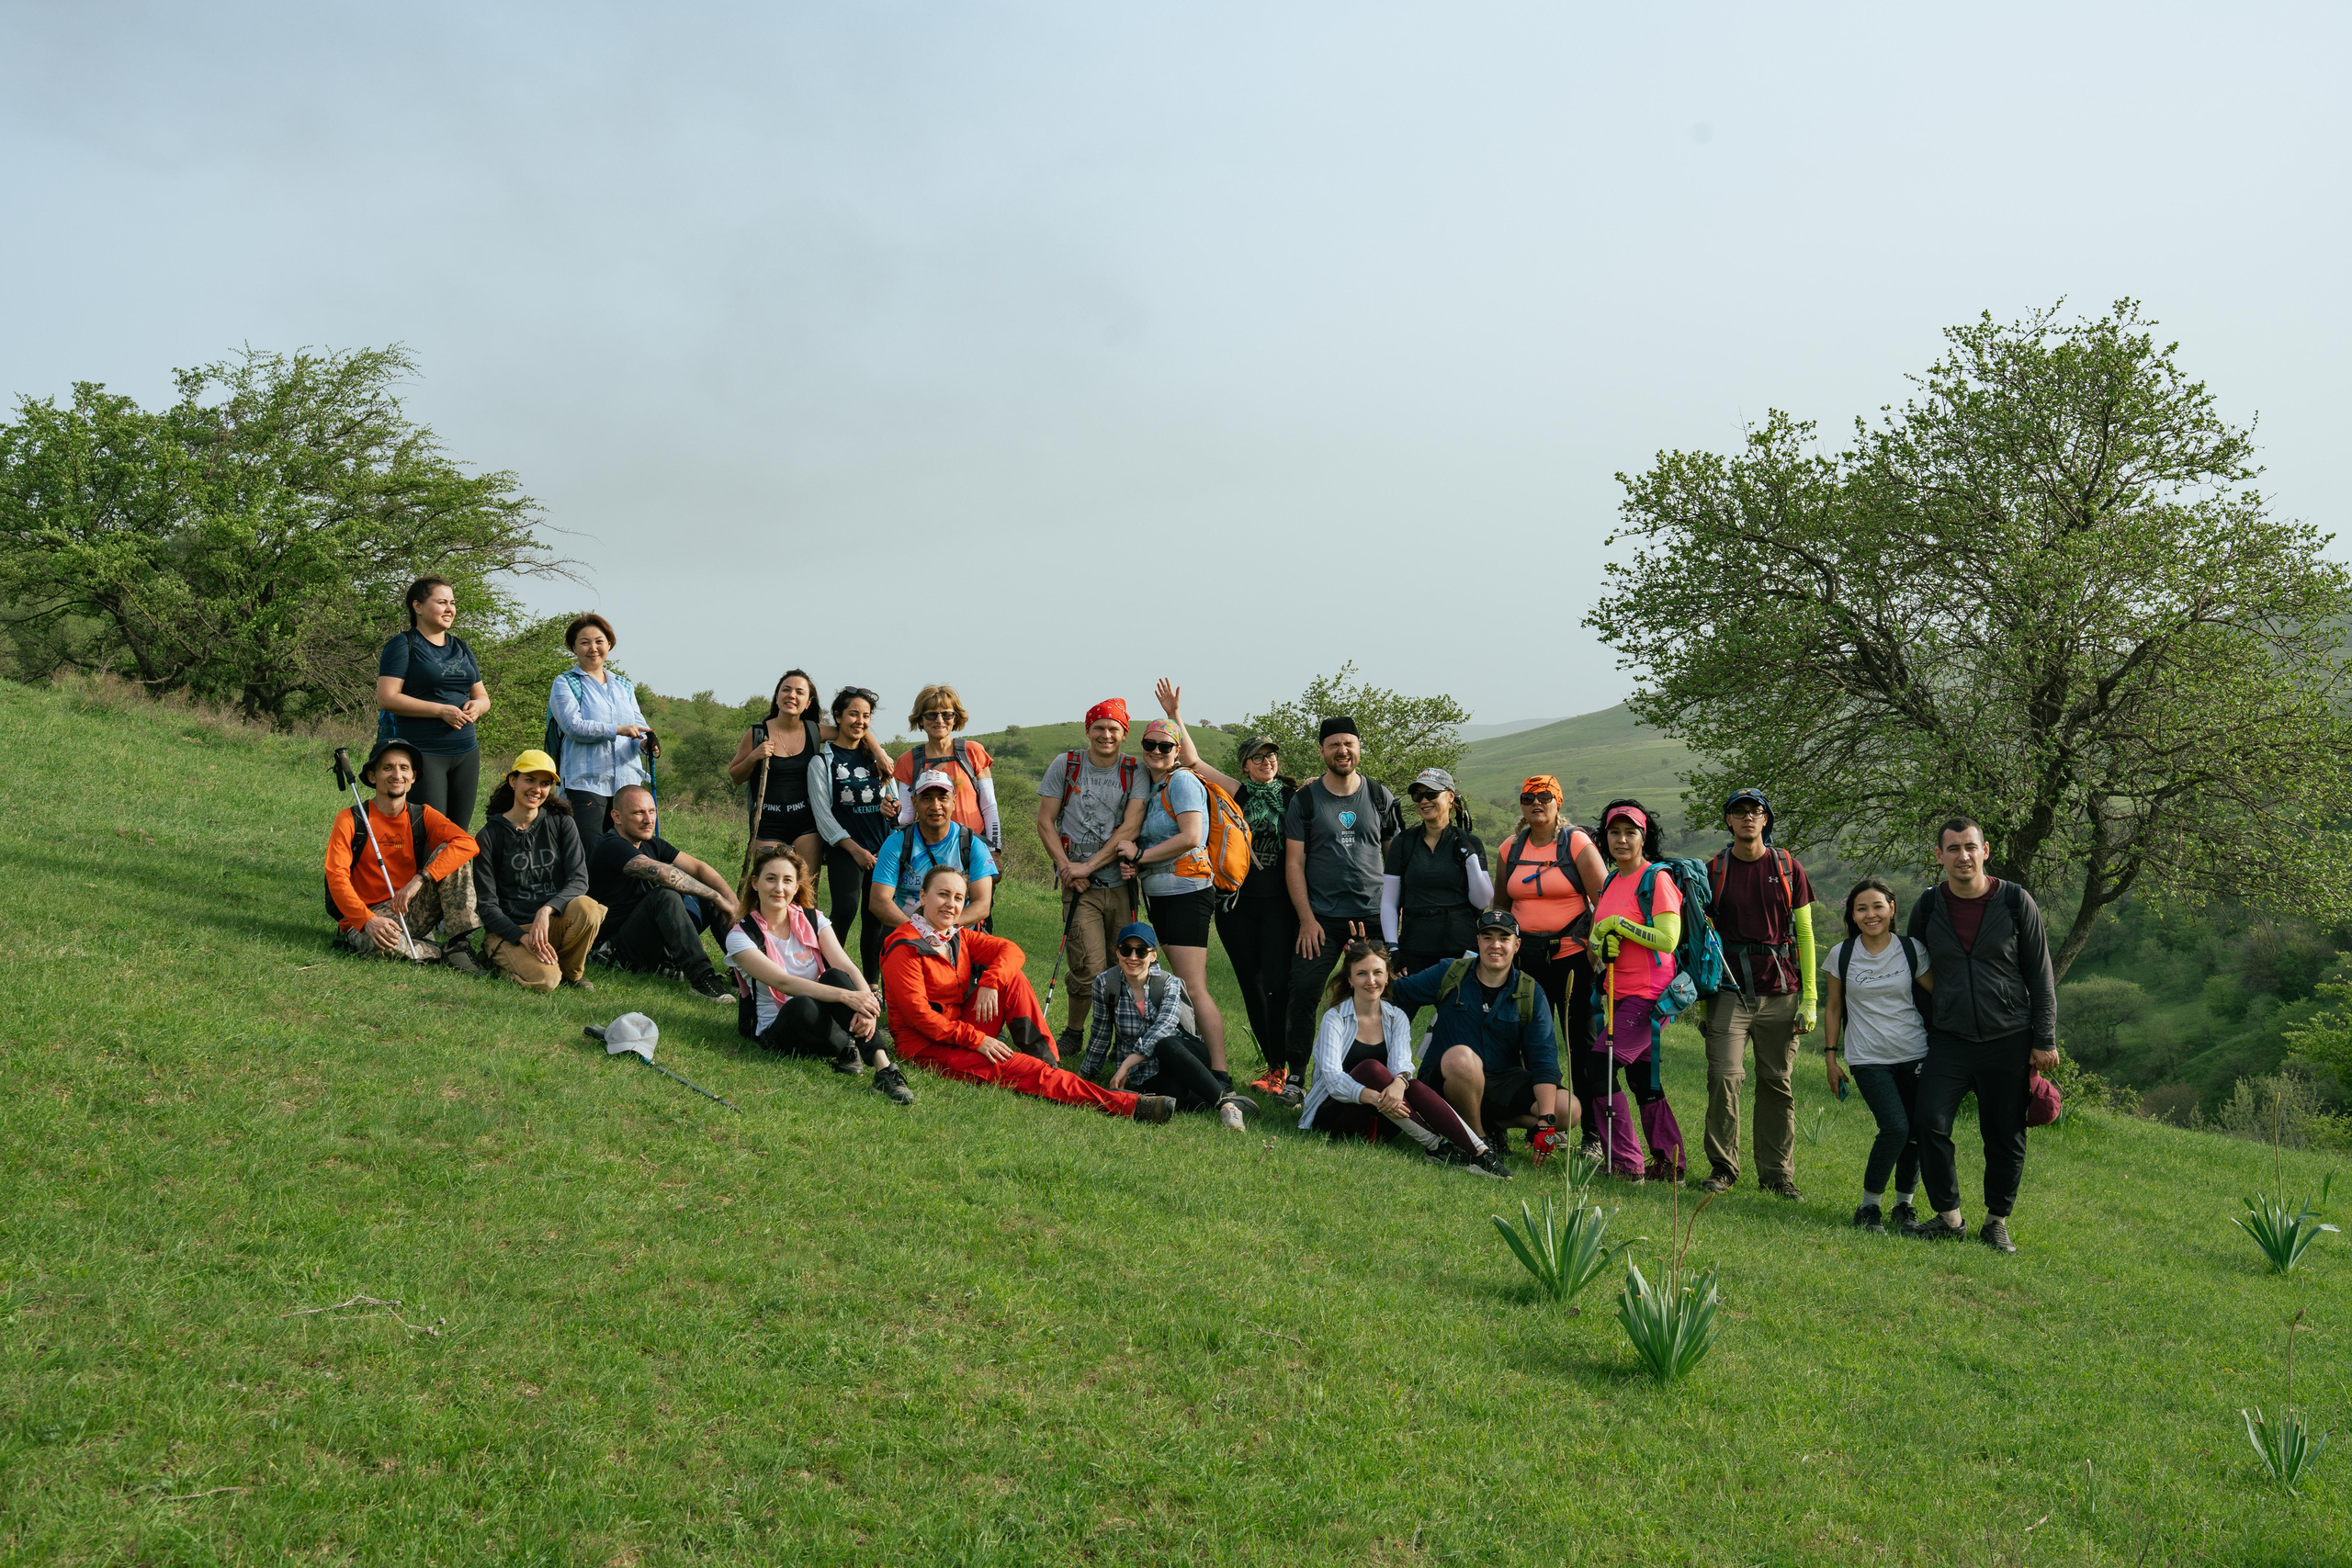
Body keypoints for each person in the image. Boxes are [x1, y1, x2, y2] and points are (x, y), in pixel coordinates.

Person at [881, 865, 1175, 1122]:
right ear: (922, 897)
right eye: (942, 895)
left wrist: (991, 982)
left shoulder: (954, 936)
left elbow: (1012, 951)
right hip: (927, 1048)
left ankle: (1048, 1063)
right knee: (1020, 1071)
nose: (951, 904)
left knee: (1012, 977)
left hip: (961, 1027)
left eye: (958, 898)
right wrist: (978, 1040)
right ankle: (1128, 1105)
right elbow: (920, 1017)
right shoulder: (904, 947)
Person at [1901, 817, 2061, 1253]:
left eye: (1970, 847)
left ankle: (1996, 1221)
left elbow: (2040, 974)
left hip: (2008, 1038)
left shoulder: (2014, 901)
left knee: (2004, 1133)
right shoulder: (1929, 906)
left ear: (1985, 850)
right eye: (1952, 849)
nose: (1962, 856)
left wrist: (2043, 1038)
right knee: (1929, 1122)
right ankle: (1950, 1218)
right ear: (1939, 857)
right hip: (1949, 1039)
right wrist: (1930, 1023)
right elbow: (1916, 972)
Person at [1147, 682, 1298, 1091]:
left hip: (1281, 905)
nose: (1265, 761)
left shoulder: (1296, 795)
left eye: (1270, 755)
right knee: (1250, 982)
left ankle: (1289, 1068)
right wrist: (1176, 714)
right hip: (1236, 903)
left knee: (1278, 984)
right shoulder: (1240, 792)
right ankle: (1272, 1069)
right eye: (1256, 757)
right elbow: (1192, 761)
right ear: (1244, 765)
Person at [1700, 787, 1819, 1200]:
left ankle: (1777, 1175)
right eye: (1739, 811)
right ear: (1728, 821)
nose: (1748, 817)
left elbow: (1804, 932)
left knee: (1776, 1083)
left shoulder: (1788, 866)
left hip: (1781, 991)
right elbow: (1703, 941)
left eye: (1756, 811)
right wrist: (1702, 1003)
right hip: (1730, 991)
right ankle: (1723, 1168)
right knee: (1724, 1077)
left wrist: (1810, 998)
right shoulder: (1714, 870)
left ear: (1766, 820)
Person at [1277, 715, 1403, 1106]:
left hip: (1372, 916)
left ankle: (1377, 1072)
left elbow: (1394, 861)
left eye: (1348, 743)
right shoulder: (1306, 800)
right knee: (1303, 991)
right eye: (1334, 745)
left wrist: (1395, 916)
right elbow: (1294, 864)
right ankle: (1296, 1076)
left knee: (1382, 995)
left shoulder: (1381, 796)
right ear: (1322, 751)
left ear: (1359, 748)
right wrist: (1307, 919)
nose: (1342, 751)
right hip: (1322, 920)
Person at [726, 846, 915, 1105]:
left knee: (835, 975)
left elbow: (848, 968)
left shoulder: (813, 920)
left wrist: (868, 1005)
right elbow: (785, 983)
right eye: (771, 879)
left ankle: (884, 1069)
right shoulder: (740, 937)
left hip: (825, 1014)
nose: (779, 888)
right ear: (755, 883)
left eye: (787, 880)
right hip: (778, 1027)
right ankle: (846, 1048)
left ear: (796, 887)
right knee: (802, 1003)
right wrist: (849, 998)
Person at [1304, 939, 1504, 1176]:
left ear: (1387, 977)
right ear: (1350, 979)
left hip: (1386, 1120)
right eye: (1362, 974)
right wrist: (1375, 1098)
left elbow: (1402, 1064)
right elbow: (1333, 1080)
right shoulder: (1335, 1019)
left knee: (1413, 1085)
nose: (1371, 981)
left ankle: (1481, 1153)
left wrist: (1399, 1082)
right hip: (1335, 1116)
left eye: (1378, 973)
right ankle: (1435, 1146)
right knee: (1372, 1069)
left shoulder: (1396, 1017)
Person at [1393, 911, 1565, 1176]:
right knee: (1462, 1058)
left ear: (1516, 944)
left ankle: (1491, 1123)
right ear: (1478, 941)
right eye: (1488, 937)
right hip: (1448, 1080)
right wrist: (1369, 961)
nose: (1495, 945)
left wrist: (1546, 1122)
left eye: (1503, 938)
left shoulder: (1531, 991)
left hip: (1500, 1082)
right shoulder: (1450, 972)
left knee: (1568, 1108)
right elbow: (1400, 990)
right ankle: (1479, 1141)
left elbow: (1544, 1059)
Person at [1489, 775, 1607, 1155]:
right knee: (1522, 1042)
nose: (1536, 803)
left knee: (1582, 1045)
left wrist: (1593, 950)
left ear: (1558, 802)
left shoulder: (1576, 843)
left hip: (1572, 959)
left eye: (1544, 797)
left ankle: (1592, 1135)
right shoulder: (1510, 848)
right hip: (1525, 961)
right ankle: (1529, 1122)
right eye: (1528, 798)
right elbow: (1501, 908)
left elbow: (1604, 901)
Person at [1113, 716, 1230, 1077]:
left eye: (1166, 746)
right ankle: (1194, 1058)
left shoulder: (1180, 781)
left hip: (1186, 892)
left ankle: (1219, 1071)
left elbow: (1191, 837)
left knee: (1192, 985)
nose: (1157, 752)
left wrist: (1140, 857)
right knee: (1181, 983)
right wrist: (1141, 865)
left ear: (1178, 751)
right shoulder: (1155, 785)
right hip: (1164, 892)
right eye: (1151, 745)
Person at [1035, 698, 1149, 1054]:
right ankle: (1074, 1031)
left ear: (1124, 733)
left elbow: (1130, 826)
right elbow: (1045, 821)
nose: (1105, 735)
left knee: (1125, 963)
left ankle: (1118, 1039)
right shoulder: (1066, 764)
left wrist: (1087, 866)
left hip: (1120, 884)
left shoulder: (1135, 770)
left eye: (1114, 728)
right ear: (1088, 730)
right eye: (1098, 728)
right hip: (1079, 887)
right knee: (1088, 966)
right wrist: (1068, 869)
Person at [1587, 800, 1690, 1183]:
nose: (1622, 839)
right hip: (1618, 993)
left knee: (1600, 1067)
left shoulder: (1656, 879)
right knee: (1644, 1082)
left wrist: (1619, 925)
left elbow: (1666, 939)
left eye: (1631, 832)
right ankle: (1671, 1166)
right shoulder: (1613, 880)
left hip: (1648, 996)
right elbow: (1599, 939)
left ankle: (1626, 1164)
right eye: (1614, 832)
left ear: (1644, 837)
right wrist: (1604, 941)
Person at [1822, 878, 1931, 1234]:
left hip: (1915, 1052)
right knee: (1895, 1127)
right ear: (1853, 916)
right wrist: (1830, 1058)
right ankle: (1868, 1208)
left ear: (1892, 909)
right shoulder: (1843, 953)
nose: (1871, 915)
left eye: (1877, 907)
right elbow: (1834, 1007)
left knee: (1915, 1131)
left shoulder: (1911, 949)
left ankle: (1904, 1207)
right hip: (1867, 1057)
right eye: (1862, 908)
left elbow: (1941, 993)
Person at [323, 736, 486, 973]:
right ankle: (445, 951)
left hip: (409, 905)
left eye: (404, 768)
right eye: (387, 768)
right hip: (367, 918)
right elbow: (336, 877)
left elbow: (468, 844)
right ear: (372, 776)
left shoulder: (422, 815)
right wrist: (367, 920)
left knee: (451, 852)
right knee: (380, 945)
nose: (396, 775)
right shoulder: (350, 819)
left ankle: (459, 940)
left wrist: (420, 879)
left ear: (412, 778)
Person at [1076, 923, 1253, 1130]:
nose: (1132, 957)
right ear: (1118, 953)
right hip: (1146, 1072)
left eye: (1141, 951)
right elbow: (1100, 1032)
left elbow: (1165, 1027)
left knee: (1165, 1044)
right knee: (1171, 1095)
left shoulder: (1170, 983)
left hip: (1185, 1053)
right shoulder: (1105, 983)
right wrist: (1086, 1075)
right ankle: (1218, 1100)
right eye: (1126, 950)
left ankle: (1227, 1105)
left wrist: (1125, 1064)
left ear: (1153, 956)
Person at [727, 670, 889, 876]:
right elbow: (736, 776)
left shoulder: (813, 730)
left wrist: (879, 754)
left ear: (808, 703)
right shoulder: (758, 733)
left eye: (799, 692)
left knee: (806, 892)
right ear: (777, 698)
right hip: (768, 822)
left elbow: (854, 730)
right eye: (786, 690)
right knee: (767, 886)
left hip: (806, 824)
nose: (792, 695)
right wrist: (754, 756)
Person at [586, 784, 739, 1002]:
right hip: (617, 949)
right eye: (639, 813)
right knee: (666, 895)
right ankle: (702, 979)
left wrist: (730, 901)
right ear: (616, 816)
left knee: (709, 895)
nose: (648, 819)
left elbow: (699, 868)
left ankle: (742, 972)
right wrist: (715, 896)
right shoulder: (610, 845)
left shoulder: (653, 844)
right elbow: (664, 874)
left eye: (652, 811)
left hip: (652, 940)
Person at [471, 749, 605, 992]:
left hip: (551, 924)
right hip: (512, 930)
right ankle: (500, 960)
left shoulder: (561, 822)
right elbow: (487, 906)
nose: (537, 789)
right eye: (530, 780)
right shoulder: (489, 836)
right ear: (513, 781)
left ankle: (571, 974)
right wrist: (521, 937)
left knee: (589, 908)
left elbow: (579, 879)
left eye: (544, 783)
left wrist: (546, 910)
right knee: (546, 981)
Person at [374, 576, 491, 829]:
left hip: (466, 752)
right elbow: (386, 697)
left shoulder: (461, 646)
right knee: (430, 830)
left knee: (458, 833)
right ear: (417, 606)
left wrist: (477, 707)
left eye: (453, 602)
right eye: (442, 602)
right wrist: (440, 711)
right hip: (424, 752)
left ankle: (454, 871)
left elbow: (482, 696)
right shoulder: (403, 644)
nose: (450, 609)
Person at [1381, 767, 1493, 1006]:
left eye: (1431, 794)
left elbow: (1482, 901)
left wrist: (1470, 859)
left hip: (1461, 947)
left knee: (1457, 1019)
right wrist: (1392, 947)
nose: (1423, 801)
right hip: (1415, 945)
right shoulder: (1404, 843)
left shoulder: (1469, 841)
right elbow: (1389, 901)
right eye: (1417, 795)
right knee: (1394, 1014)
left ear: (1450, 796)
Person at [808, 686, 898, 983]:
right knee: (845, 909)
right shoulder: (822, 762)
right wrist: (854, 849)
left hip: (882, 850)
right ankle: (827, 974)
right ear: (838, 716)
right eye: (853, 714)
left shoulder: (878, 761)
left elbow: (894, 801)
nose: (860, 721)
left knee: (875, 918)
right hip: (845, 849)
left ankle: (872, 984)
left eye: (866, 716)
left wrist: (892, 808)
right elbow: (823, 815)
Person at [547, 613, 651, 844]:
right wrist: (619, 730)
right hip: (585, 782)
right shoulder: (565, 682)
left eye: (599, 641)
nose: (593, 648)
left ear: (609, 644)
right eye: (584, 642)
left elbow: (639, 728)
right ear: (574, 648)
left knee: (627, 850)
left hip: (627, 783)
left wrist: (644, 744)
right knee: (589, 847)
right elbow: (574, 727)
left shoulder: (624, 685)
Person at [871, 771, 999, 932]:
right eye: (927, 798)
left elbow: (982, 905)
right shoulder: (896, 844)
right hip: (906, 933)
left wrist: (943, 931)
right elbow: (879, 901)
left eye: (942, 798)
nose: (935, 806)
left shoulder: (972, 844)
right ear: (914, 802)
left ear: (954, 802)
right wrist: (918, 932)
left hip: (957, 935)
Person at [890, 682, 1000, 849]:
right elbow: (907, 817)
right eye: (931, 715)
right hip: (928, 851)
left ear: (955, 718)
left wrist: (995, 849)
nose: (939, 720)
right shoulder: (908, 760)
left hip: (973, 848)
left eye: (947, 715)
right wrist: (892, 813)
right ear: (920, 719)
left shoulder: (973, 752)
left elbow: (989, 806)